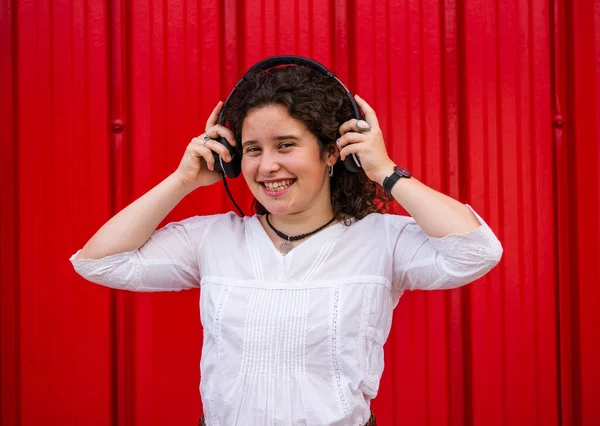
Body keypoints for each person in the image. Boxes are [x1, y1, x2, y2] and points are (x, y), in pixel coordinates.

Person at [70, 62, 503, 426]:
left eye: (287, 145)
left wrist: (385, 169)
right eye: (253, 149)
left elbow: (477, 251)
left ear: (333, 153)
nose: (267, 165)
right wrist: (182, 180)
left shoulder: (380, 240)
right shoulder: (214, 238)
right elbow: (99, 263)